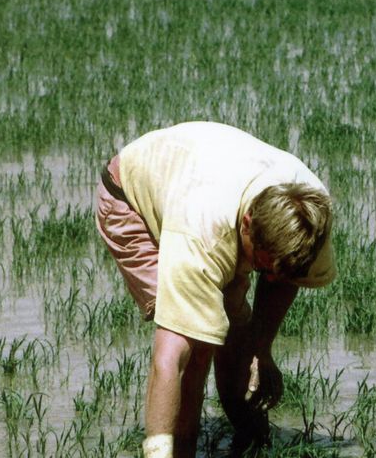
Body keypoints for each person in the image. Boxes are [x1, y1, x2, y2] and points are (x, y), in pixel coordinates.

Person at [94, 121, 336, 458]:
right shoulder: (202, 233)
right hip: (130, 197)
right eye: (262, 266)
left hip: (204, 184)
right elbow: (170, 358)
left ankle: (251, 438)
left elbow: (285, 277)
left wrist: (261, 347)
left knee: (235, 333)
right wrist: (159, 452)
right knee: (195, 345)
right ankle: (182, 449)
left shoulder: (310, 218)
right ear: (247, 225)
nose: (269, 278)